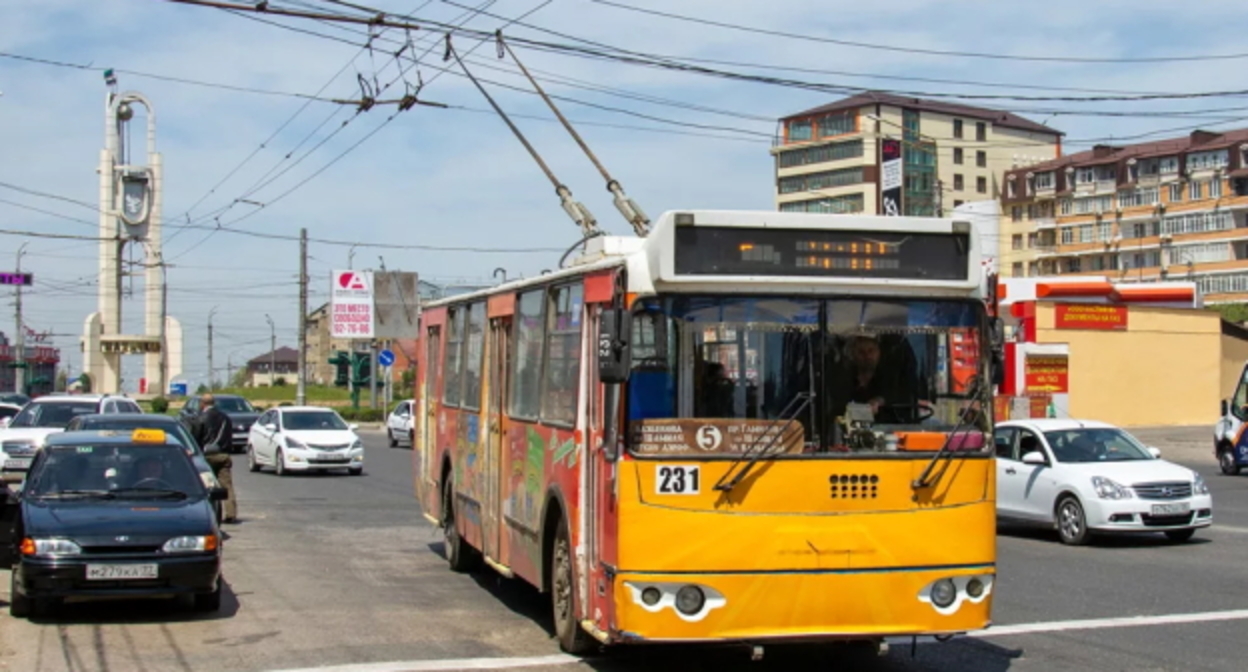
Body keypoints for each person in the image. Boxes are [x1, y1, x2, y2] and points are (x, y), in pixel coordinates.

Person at [193, 393, 238, 523]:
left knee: (205, 485)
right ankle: (231, 514)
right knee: (226, 485)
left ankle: (208, 513)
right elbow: (229, 437)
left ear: (203, 404)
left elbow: (196, 438)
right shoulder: (225, 418)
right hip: (223, 455)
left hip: (206, 457)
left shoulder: (200, 418)